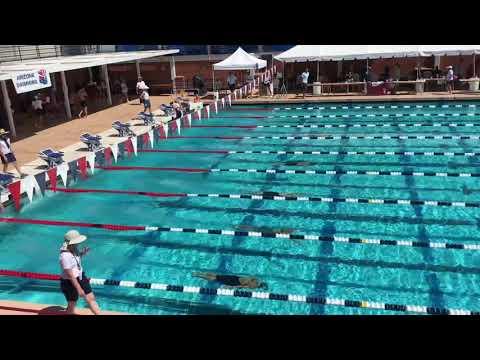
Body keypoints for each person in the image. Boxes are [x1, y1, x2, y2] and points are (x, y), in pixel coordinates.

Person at [59, 230, 101, 315]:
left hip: (81, 277)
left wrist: (82, 253)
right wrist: (79, 288)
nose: (78, 244)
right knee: (72, 305)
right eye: (77, 242)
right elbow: (70, 275)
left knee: (91, 298)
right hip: (69, 282)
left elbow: (75, 261)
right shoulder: (65, 256)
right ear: (71, 243)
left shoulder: (74, 249)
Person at [192, 272, 268, 289]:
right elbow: (241, 286)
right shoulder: (253, 286)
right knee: (216, 278)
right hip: (235, 282)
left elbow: (249, 276)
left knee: (217, 276)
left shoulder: (256, 279)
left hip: (236, 278)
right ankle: (198, 275)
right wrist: (229, 287)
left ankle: (200, 273)